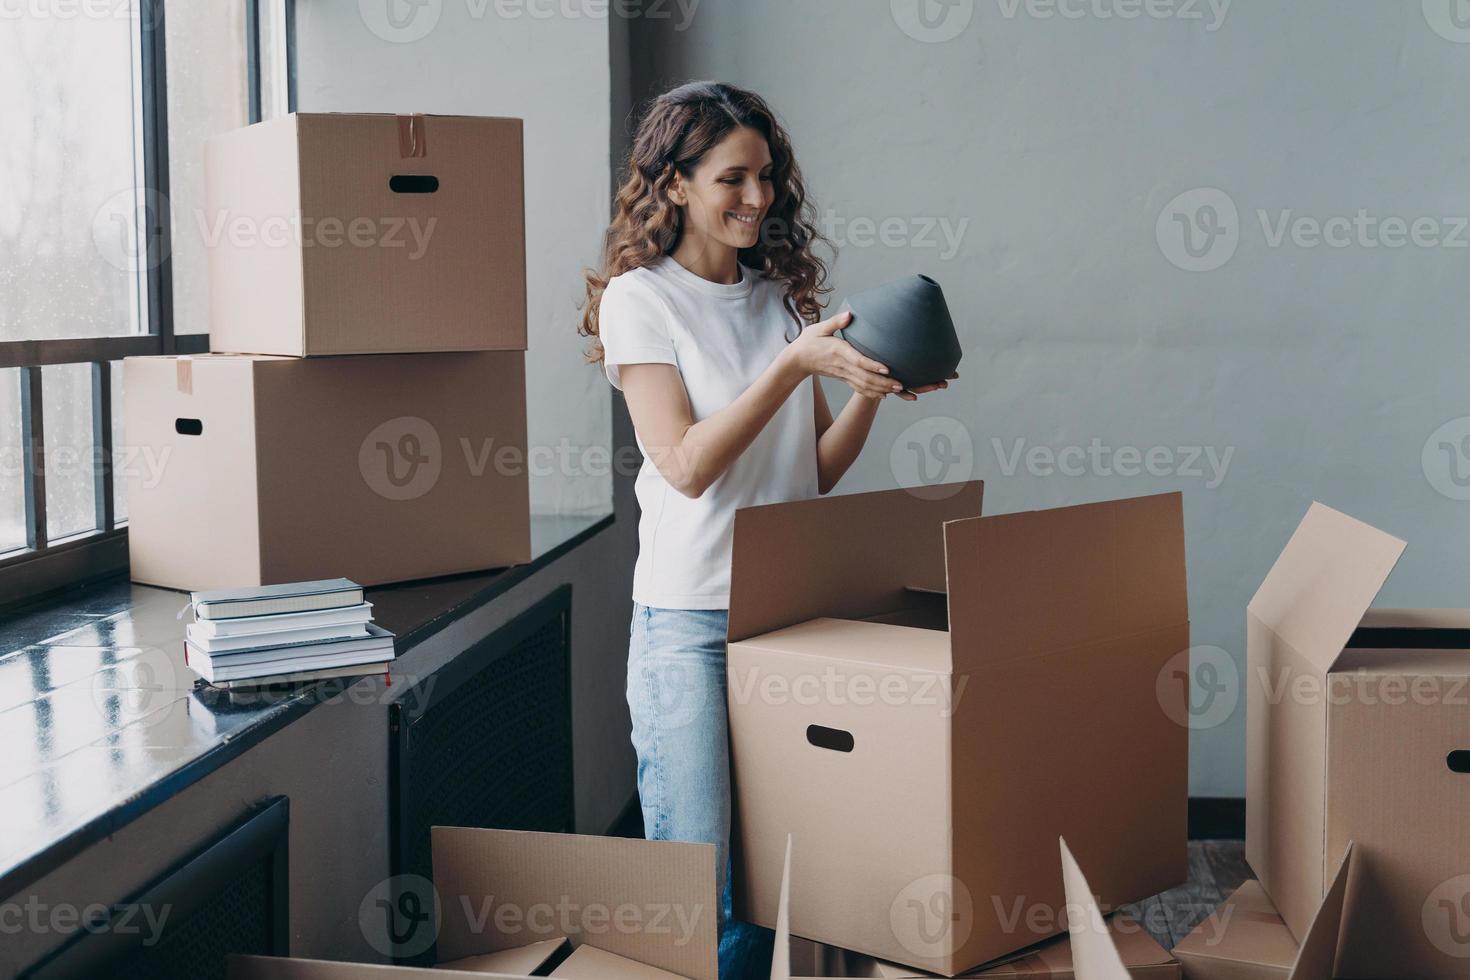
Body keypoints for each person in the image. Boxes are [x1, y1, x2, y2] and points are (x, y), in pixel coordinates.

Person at [579, 80, 955, 980]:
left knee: (783, 881)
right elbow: (685, 465)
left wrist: (867, 392)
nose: (759, 198)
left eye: (768, 177)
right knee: (705, 894)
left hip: (786, 621)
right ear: (673, 186)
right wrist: (792, 365)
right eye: (733, 179)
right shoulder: (642, 301)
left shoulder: (784, 302)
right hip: (690, 626)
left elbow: (810, 469)